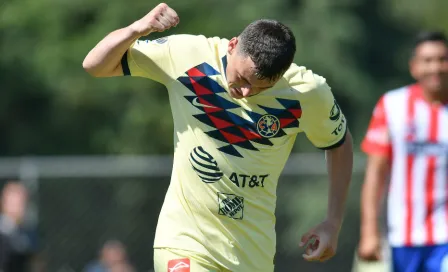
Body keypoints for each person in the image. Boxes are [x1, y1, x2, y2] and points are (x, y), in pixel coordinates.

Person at [83, 3, 354, 271]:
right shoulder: (187, 55)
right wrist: (137, 29)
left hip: (251, 253)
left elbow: (339, 144)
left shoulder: (306, 93)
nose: (246, 92)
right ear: (233, 45)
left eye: (260, 87)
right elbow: (95, 65)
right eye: (243, 78)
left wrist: (333, 221)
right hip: (184, 242)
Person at [358, 31, 448, 272]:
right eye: (428, 60)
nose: (436, 67)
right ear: (414, 67)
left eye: (442, 59)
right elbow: (375, 175)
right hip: (404, 236)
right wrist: (369, 232)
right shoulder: (392, 105)